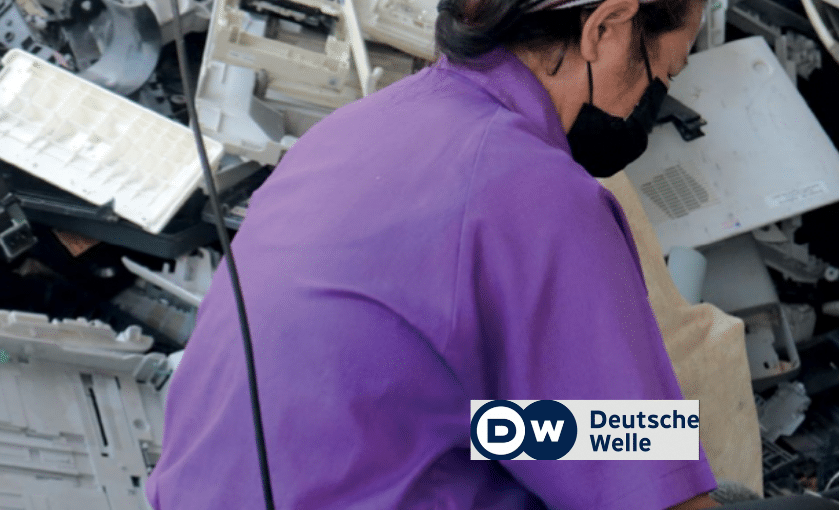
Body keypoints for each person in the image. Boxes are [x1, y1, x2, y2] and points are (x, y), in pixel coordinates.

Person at [147, 0, 721, 507]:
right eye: (661, 75)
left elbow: (431, 394)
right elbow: (652, 488)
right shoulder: (537, 195)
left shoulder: (352, 130)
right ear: (606, 26)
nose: (650, 100)